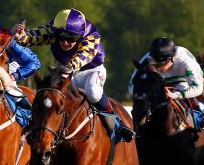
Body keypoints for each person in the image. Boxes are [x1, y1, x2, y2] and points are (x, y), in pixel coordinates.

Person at [12, 8, 133, 142]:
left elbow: (82, 56)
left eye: (71, 38)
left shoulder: (92, 36)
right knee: (51, 96)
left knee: (93, 92)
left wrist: (69, 68)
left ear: (80, 35)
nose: (65, 42)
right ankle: (37, 127)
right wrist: (19, 35)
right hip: (67, 73)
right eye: (61, 37)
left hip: (91, 71)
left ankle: (117, 124)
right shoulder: (54, 29)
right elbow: (31, 37)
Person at [132, 37, 204, 129]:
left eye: (163, 63)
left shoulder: (185, 61)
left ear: (172, 59)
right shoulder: (146, 60)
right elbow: (132, 87)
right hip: (159, 82)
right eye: (156, 63)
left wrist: (175, 95)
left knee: (181, 87)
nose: (160, 67)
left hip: (183, 80)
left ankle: (200, 117)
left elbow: (198, 88)